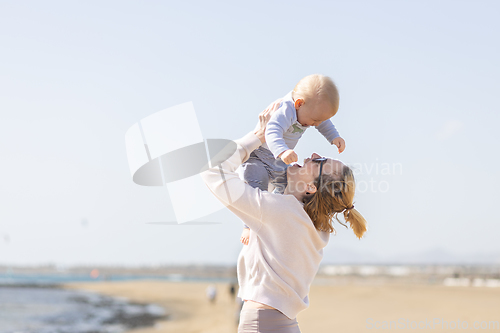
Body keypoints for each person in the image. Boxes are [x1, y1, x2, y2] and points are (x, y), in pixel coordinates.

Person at [201, 102, 367, 333]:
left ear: (311, 188)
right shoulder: (315, 227)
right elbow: (280, 189)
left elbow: (212, 171)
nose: (314, 154)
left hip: (261, 323)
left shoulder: (279, 211)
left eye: (319, 162)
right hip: (283, 323)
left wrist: (258, 136)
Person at [239, 74, 346, 246]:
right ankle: (248, 226)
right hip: (259, 157)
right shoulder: (286, 109)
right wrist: (282, 151)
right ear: (299, 104)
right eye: (313, 120)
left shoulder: (309, 109)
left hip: (279, 161)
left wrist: (334, 137)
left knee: (285, 188)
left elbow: (323, 123)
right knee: (254, 187)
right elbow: (272, 131)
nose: (314, 124)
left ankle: (273, 215)